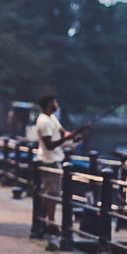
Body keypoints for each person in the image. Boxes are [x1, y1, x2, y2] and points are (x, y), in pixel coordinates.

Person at [34, 92, 81, 237]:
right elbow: (49, 145)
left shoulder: (52, 118)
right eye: (55, 102)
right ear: (49, 104)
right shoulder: (43, 121)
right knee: (51, 194)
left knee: (52, 193)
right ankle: (49, 223)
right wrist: (65, 140)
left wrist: (72, 135)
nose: (57, 104)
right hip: (49, 161)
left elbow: (62, 132)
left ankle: (46, 222)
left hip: (55, 161)